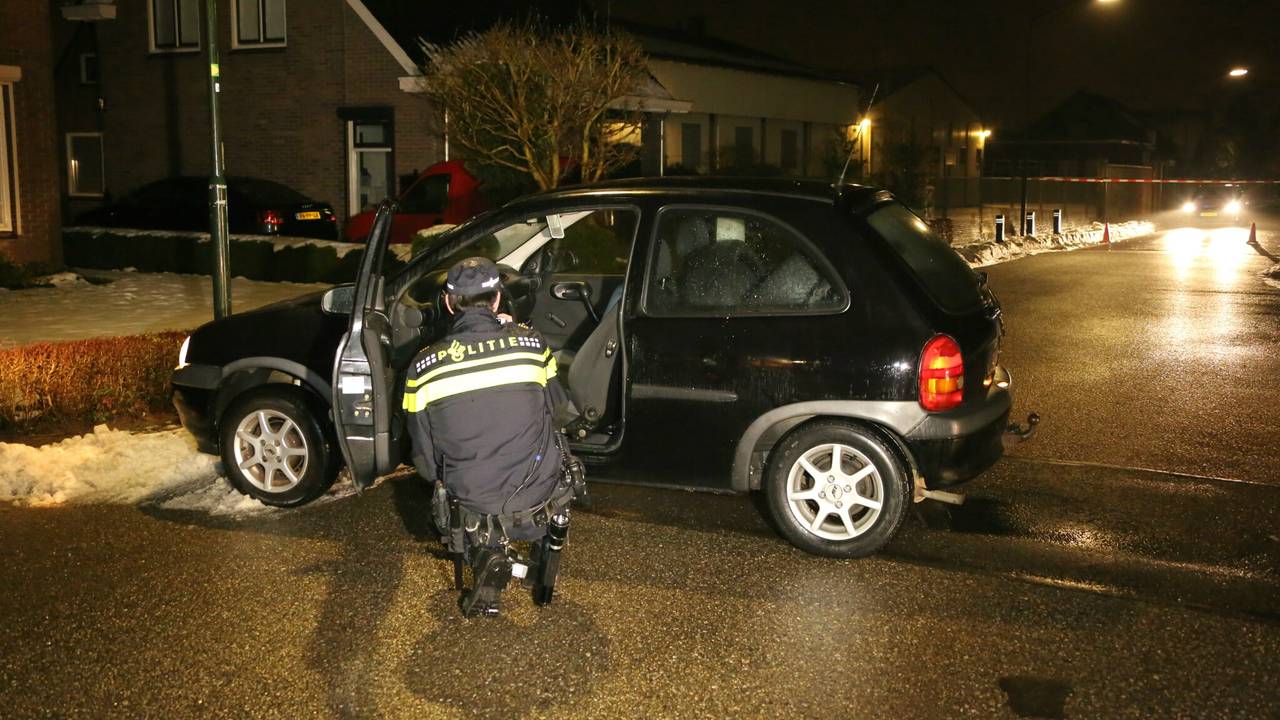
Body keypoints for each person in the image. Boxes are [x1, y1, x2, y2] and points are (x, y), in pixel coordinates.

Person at [402, 257, 583, 618]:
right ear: (498, 300)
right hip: (539, 493)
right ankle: (508, 560)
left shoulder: (422, 368)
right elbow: (562, 411)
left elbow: (423, 461)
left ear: (450, 303)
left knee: (452, 494)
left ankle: (485, 553)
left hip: (472, 498)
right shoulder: (532, 344)